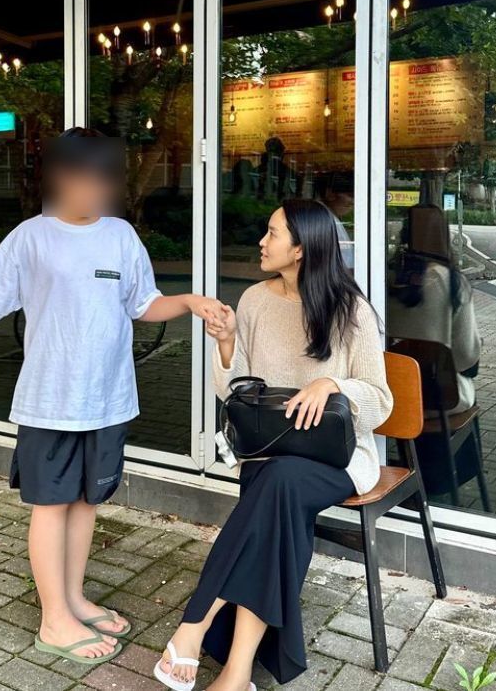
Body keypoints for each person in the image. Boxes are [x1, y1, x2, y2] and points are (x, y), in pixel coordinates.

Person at [0, 127, 226, 666]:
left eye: (104, 181)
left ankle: (74, 598)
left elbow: (142, 304)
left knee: (86, 502)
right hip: (50, 401)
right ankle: (53, 618)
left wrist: (189, 302)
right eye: (83, 179)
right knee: (51, 505)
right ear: (57, 177)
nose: (94, 191)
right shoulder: (30, 238)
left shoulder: (121, 236)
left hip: (109, 400)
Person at [155, 198, 393, 691]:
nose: (261, 242)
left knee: (276, 486)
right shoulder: (254, 301)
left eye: (272, 233)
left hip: (340, 459)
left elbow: (381, 401)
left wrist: (333, 385)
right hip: (271, 451)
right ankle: (237, 673)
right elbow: (235, 392)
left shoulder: (351, 311)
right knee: (279, 504)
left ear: (301, 249)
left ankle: (196, 622)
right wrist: (226, 342)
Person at [387, 203, 481, 413]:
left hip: (391, 395)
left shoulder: (382, 275)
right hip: (441, 400)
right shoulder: (453, 282)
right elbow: (466, 356)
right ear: (443, 237)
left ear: (404, 235)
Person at [314, 171, 354, 271]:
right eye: (350, 195)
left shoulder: (330, 217)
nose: (353, 202)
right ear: (330, 194)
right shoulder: (320, 219)